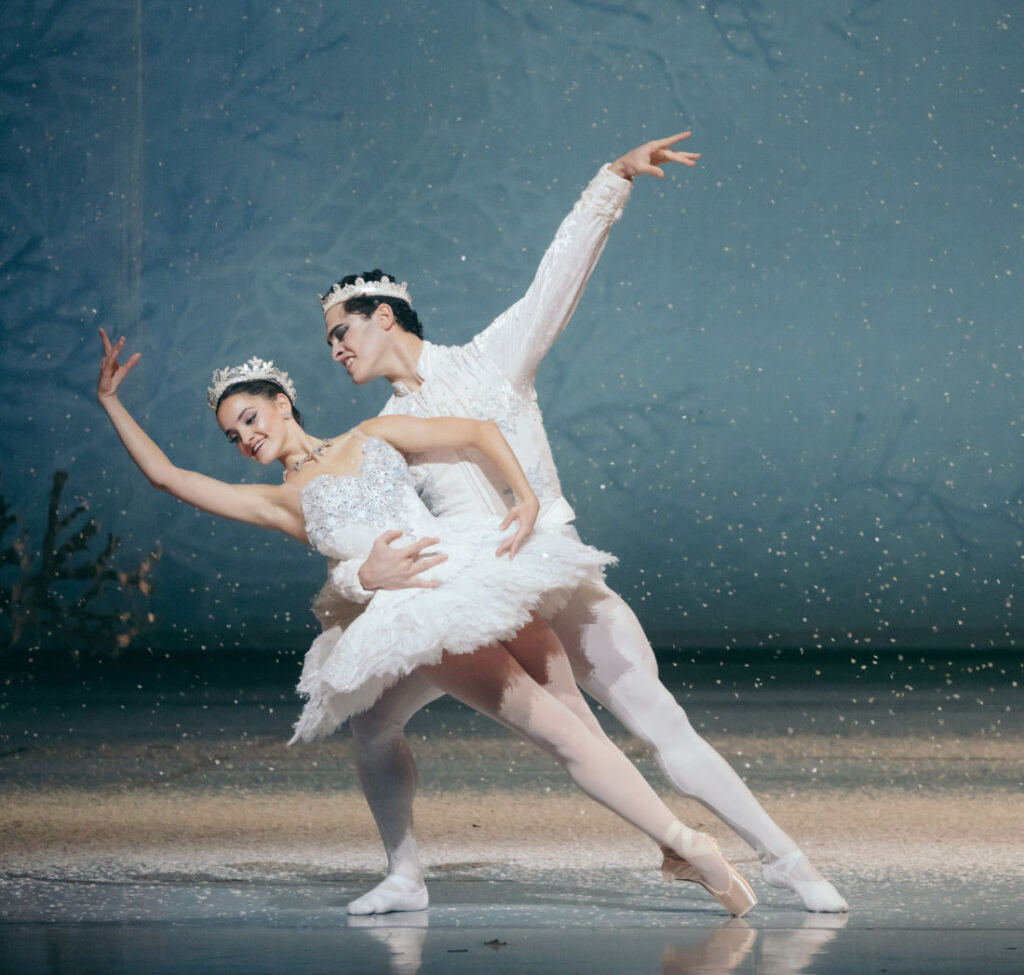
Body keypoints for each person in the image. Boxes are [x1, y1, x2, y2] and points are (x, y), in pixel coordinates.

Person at [317, 132, 848, 915]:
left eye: (343, 331)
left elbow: (554, 279)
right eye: (329, 340)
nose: (335, 348)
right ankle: (405, 874)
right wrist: (362, 579)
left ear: (386, 315)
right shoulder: (382, 431)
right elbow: (358, 521)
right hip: (471, 597)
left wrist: (612, 181)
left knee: (659, 721)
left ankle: (787, 860)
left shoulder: (492, 358)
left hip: (550, 569)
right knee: (370, 721)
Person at [96, 330, 758, 918]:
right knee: (375, 724)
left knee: (562, 732)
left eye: (248, 418)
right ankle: (406, 876)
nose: (244, 438)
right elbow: (166, 477)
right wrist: (111, 402)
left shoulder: (370, 435)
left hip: (448, 592)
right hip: (414, 604)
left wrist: (524, 500)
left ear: (282, 403)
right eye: (232, 436)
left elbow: (474, 433)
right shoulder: (278, 500)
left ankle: (686, 845)